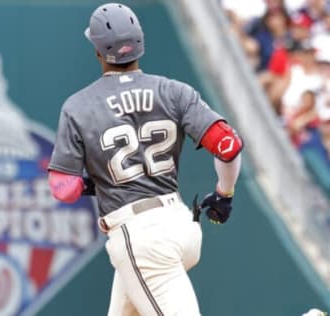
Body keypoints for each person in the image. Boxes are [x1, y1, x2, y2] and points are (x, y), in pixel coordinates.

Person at [47, 3, 243, 315]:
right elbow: (228, 145)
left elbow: (63, 188)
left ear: (98, 50)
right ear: (140, 43)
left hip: (141, 238)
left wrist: (95, 181)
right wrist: (225, 193)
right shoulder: (174, 91)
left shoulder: (78, 106)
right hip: (180, 223)